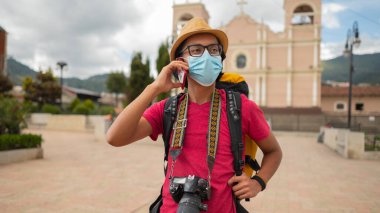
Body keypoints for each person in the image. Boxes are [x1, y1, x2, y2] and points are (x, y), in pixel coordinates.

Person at [107, 17, 282, 213]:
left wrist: (258, 182)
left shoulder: (241, 107)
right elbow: (114, 137)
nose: (207, 56)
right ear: (180, 62)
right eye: (197, 50)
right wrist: (154, 88)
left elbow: (274, 151)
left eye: (213, 50)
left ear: (220, 59)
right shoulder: (167, 109)